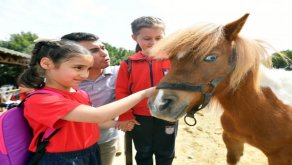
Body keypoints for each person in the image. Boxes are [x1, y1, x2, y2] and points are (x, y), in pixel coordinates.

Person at [17, 40, 154, 165]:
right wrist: (143, 94)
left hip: (90, 151)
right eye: (78, 67)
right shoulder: (41, 100)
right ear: (47, 64)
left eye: (87, 68)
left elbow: (89, 121)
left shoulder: (79, 93)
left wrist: (117, 124)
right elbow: (97, 115)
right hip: (61, 158)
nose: (84, 75)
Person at [116, 16, 178, 165]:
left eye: (158, 38)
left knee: (166, 153)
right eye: (147, 38)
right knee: (143, 152)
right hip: (139, 118)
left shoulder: (174, 61)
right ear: (134, 38)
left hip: (167, 115)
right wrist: (125, 114)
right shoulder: (128, 64)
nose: (153, 43)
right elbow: (121, 91)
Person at [61, 32, 121, 165]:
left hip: (106, 141)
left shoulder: (120, 73)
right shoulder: (62, 81)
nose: (104, 53)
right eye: (94, 50)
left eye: (103, 47)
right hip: (73, 145)